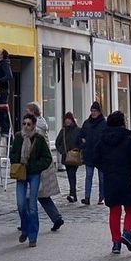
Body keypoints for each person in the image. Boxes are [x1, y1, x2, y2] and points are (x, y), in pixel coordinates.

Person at [92, 111, 131, 255]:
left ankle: (116, 243)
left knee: (114, 210)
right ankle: (127, 233)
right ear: (122, 123)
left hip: (110, 179)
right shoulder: (128, 140)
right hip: (128, 179)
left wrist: (106, 168)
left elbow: (94, 158)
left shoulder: (103, 140)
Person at [9, 112, 53, 247]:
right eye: (24, 124)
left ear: (33, 125)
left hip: (34, 174)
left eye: (29, 124)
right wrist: (18, 161)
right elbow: (12, 154)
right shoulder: (18, 137)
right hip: (21, 173)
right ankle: (25, 228)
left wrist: (35, 167)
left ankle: (33, 236)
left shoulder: (38, 139)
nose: (26, 127)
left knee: (32, 206)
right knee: (21, 205)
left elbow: (47, 158)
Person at [24, 102, 64, 232]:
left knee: (29, 195)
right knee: (42, 195)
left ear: (33, 113)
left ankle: (27, 221)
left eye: (28, 111)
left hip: (38, 166)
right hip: (43, 165)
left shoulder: (36, 129)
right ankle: (56, 217)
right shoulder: (42, 124)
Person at [78, 101, 107, 205]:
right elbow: (81, 135)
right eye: (92, 111)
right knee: (88, 176)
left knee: (102, 178)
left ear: (99, 112)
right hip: (89, 153)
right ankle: (87, 197)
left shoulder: (104, 123)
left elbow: (107, 138)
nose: (93, 113)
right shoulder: (87, 123)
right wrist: (83, 144)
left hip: (101, 155)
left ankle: (101, 197)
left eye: (95, 111)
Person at [55, 112, 81, 201]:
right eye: (66, 119)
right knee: (70, 175)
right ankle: (73, 194)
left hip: (75, 156)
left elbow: (82, 142)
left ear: (72, 120)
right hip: (66, 157)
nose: (67, 121)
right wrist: (62, 151)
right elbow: (57, 142)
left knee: (72, 174)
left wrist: (78, 149)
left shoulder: (78, 130)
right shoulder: (63, 131)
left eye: (69, 119)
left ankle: (72, 194)